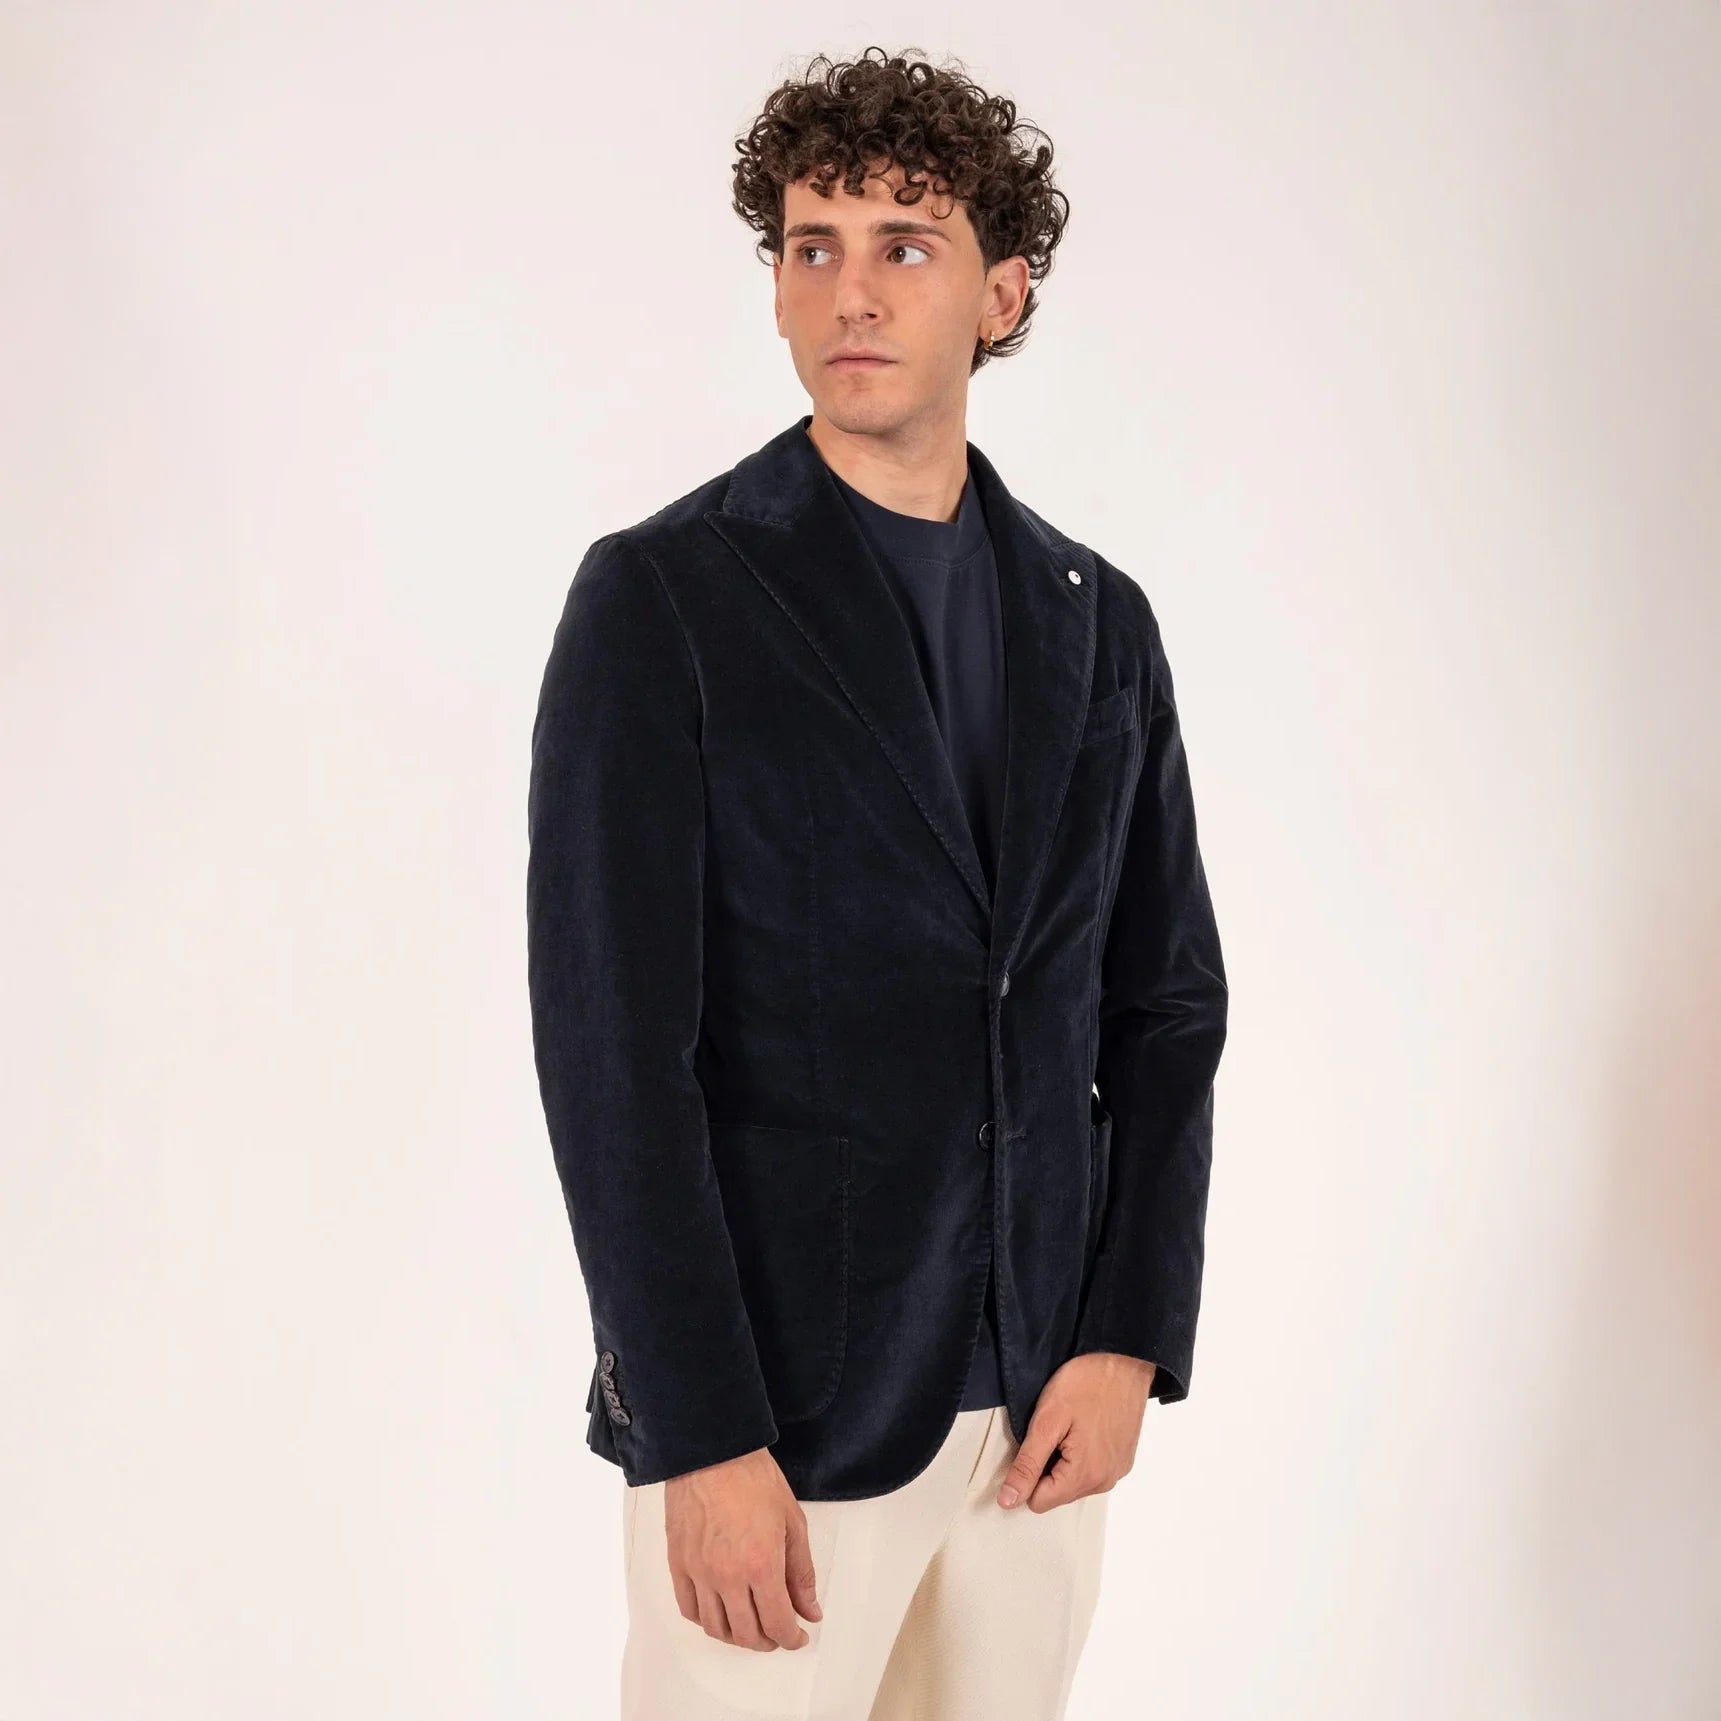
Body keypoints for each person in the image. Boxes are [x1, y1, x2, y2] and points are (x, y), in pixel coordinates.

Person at [525, 45, 1228, 1720]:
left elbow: (1164, 1004)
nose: (849, 289)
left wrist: (1125, 1332)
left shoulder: (1096, 621)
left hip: (1037, 1413)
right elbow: (615, 1052)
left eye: (903, 245)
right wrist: (697, 1429)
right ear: (776, 285)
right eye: (810, 245)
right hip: (784, 1420)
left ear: (1001, 292)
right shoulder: (666, 600)